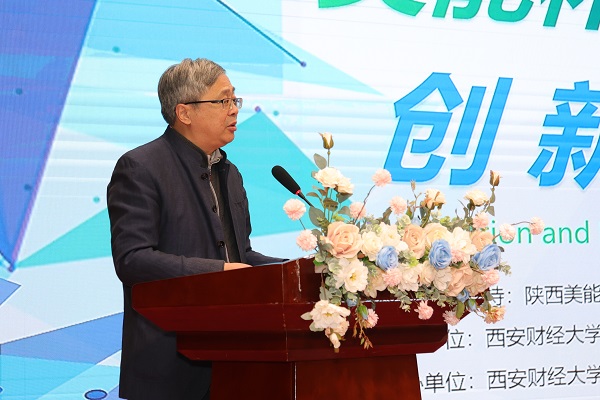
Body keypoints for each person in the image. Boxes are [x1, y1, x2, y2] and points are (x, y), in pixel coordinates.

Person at [107, 58, 284, 400]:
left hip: (235, 365)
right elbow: (133, 260)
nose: (234, 109)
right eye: (223, 100)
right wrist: (218, 272)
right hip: (169, 367)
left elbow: (240, 255)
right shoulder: (140, 167)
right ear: (184, 112)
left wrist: (299, 268)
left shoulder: (229, 173)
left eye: (235, 99)